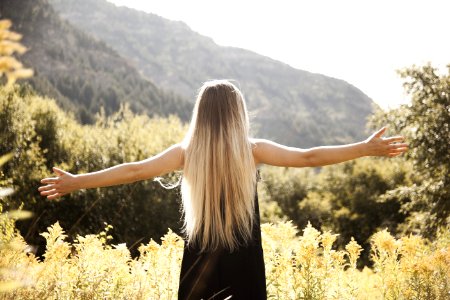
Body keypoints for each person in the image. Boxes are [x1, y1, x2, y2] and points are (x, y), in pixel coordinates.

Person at [38, 80, 407, 299]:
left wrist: (76, 182)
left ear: (201, 113)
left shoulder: (185, 153)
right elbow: (309, 156)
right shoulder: (252, 151)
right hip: (245, 262)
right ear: (237, 114)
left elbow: (134, 171)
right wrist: (364, 147)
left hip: (199, 263)